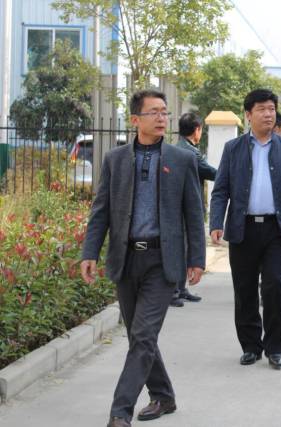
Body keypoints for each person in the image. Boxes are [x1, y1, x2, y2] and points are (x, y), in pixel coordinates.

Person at [80, 90, 205, 427]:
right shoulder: (116, 159)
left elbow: (194, 213)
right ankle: (163, 395)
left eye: (165, 112)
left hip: (162, 262)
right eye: (154, 112)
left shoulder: (181, 160)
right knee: (139, 337)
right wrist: (90, 252)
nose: (162, 118)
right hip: (125, 260)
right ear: (136, 119)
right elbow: (101, 210)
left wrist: (196, 258)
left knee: (144, 335)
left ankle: (119, 412)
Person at [210, 89, 281, 369]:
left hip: (278, 230)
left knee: (276, 286)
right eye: (262, 109)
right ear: (248, 115)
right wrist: (216, 222)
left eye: (271, 109)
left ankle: (274, 347)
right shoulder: (233, 148)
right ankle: (251, 346)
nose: (268, 114)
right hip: (243, 229)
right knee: (245, 290)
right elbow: (221, 190)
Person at [171, 112, 217, 307]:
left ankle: (181, 289)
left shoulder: (177, 148)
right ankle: (174, 292)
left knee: (184, 247)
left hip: (178, 206)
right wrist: (229, 175)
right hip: (184, 207)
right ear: (197, 129)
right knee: (181, 248)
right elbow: (211, 172)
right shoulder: (190, 152)